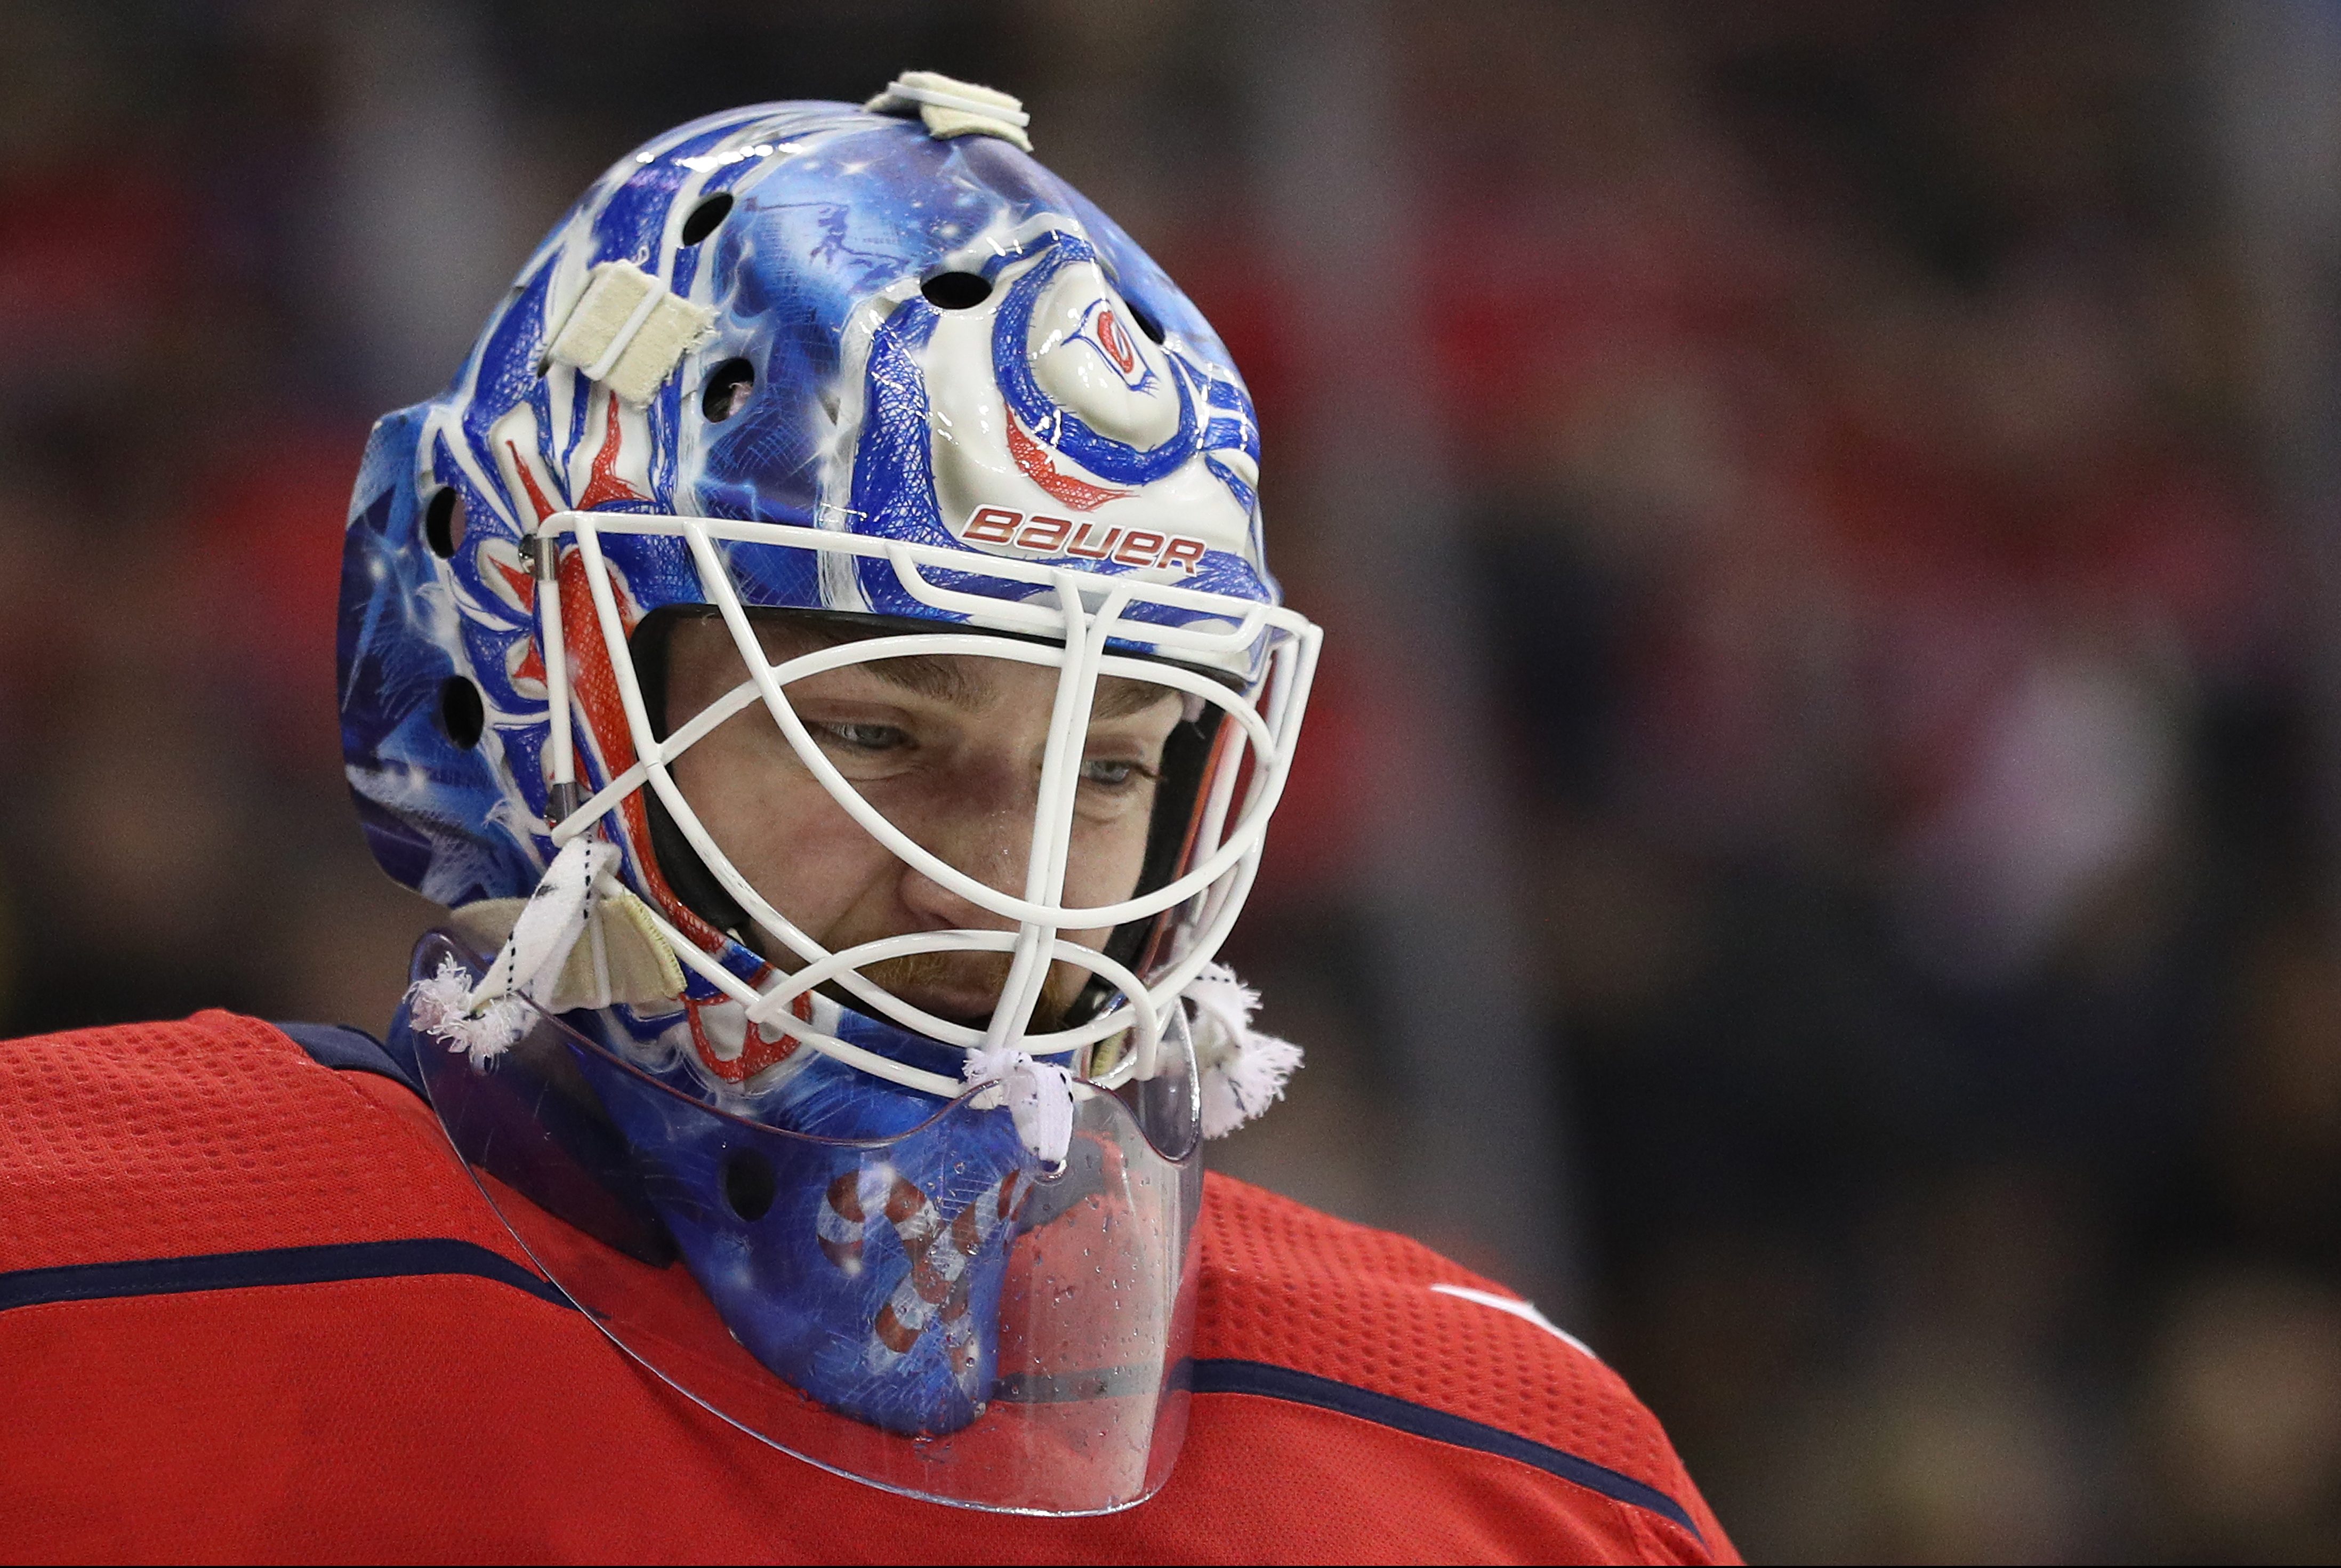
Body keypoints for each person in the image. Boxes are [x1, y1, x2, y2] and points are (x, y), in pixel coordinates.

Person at [0, 75, 1736, 1562]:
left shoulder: (1510, 1472)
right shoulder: (73, 1284)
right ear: (527, 680)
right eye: (871, 732)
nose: (999, 884)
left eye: (1113, 767)